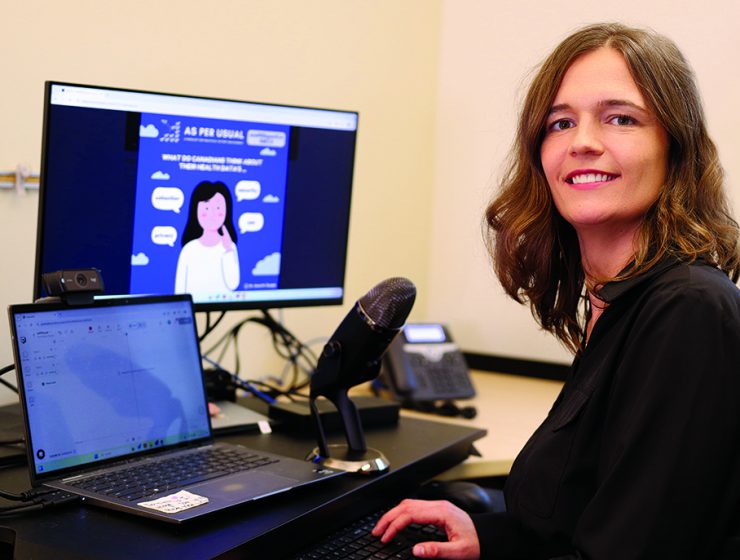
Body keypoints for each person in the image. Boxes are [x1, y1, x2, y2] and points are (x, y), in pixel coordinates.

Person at [373, 22, 740, 559]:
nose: (582, 142)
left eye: (620, 118)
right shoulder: (617, 302)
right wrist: (489, 536)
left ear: (675, 147)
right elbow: (589, 514)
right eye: (560, 123)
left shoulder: (686, 309)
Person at [175, 180, 240, 295]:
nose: (212, 214)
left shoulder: (230, 247)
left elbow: (233, 285)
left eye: (218, 208)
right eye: (206, 208)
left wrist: (228, 251)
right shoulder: (188, 250)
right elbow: (179, 290)